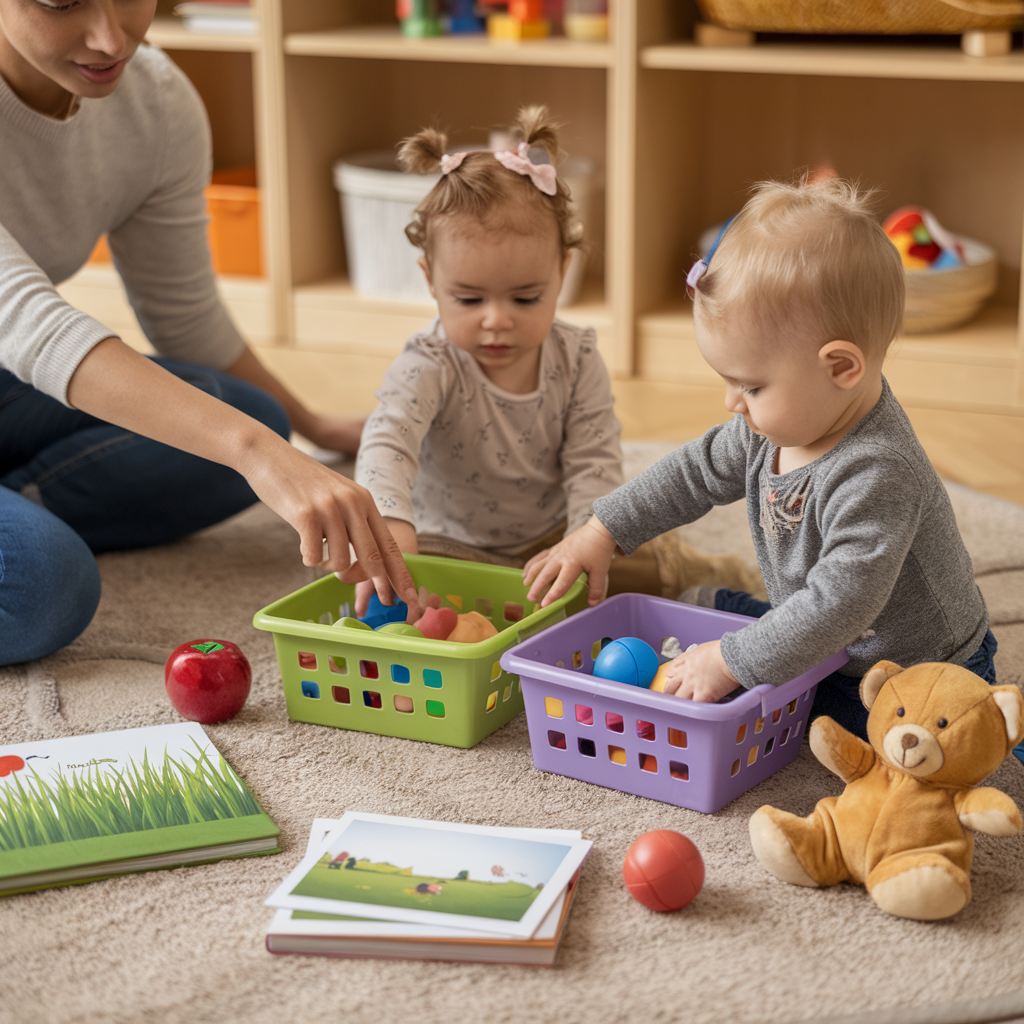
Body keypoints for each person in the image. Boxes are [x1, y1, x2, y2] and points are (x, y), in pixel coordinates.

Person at [0, 0, 416, 664]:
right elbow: (29, 324)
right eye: (61, 2)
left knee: (254, 414)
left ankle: (22, 507)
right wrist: (255, 454)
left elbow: (183, 316)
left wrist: (308, 429)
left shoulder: (154, 102)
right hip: (20, 348)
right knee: (42, 589)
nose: (111, 38)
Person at [523, 177, 996, 741]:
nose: (731, 404)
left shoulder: (879, 471)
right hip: (829, 647)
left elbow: (839, 605)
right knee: (757, 660)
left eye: (749, 386)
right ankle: (746, 624)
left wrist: (729, 663)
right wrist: (604, 529)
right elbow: (691, 473)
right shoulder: (776, 423)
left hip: (912, 674)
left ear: (841, 367)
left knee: (916, 754)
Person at [353, 107, 760, 617]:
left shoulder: (577, 358)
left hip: (552, 538)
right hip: (450, 543)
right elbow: (387, 443)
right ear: (430, 279)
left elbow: (593, 462)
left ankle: (723, 579)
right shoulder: (427, 363)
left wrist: (579, 542)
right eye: (469, 299)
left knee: (639, 566)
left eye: (525, 299)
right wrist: (392, 530)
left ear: (562, 271)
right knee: (408, 594)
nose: (497, 320)